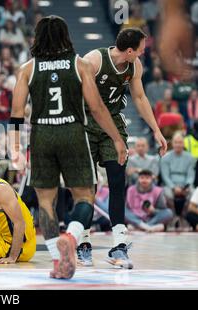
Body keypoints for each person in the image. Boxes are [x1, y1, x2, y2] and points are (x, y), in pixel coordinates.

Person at [10, 15, 127, 279]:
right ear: (66, 36)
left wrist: (16, 148)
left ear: (37, 37)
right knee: (85, 196)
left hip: (41, 134)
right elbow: (96, 108)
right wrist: (117, 139)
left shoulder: (27, 68)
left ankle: (57, 262)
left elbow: (16, 113)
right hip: (73, 132)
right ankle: (72, 237)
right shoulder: (80, 64)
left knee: (46, 202)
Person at [77, 27, 168, 269]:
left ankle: (118, 244)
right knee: (88, 186)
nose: (143, 53)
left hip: (113, 126)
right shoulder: (93, 60)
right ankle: (83, 243)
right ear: (129, 51)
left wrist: (157, 130)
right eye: (140, 49)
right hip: (86, 123)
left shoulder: (134, 66)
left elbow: (139, 98)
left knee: (118, 182)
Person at [160, 132, 195, 228]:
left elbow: (191, 175)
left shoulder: (191, 158)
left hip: (185, 184)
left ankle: (185, 218)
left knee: (192, 194)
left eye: (180, 142)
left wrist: (186, 187)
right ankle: (173, 217)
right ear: (172, 143)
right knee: (166, 194)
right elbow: (165, 176)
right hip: (170, 183)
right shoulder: (165, 158)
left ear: (183, 144)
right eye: (176, 142)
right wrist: (173, 187)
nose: (178, 145)